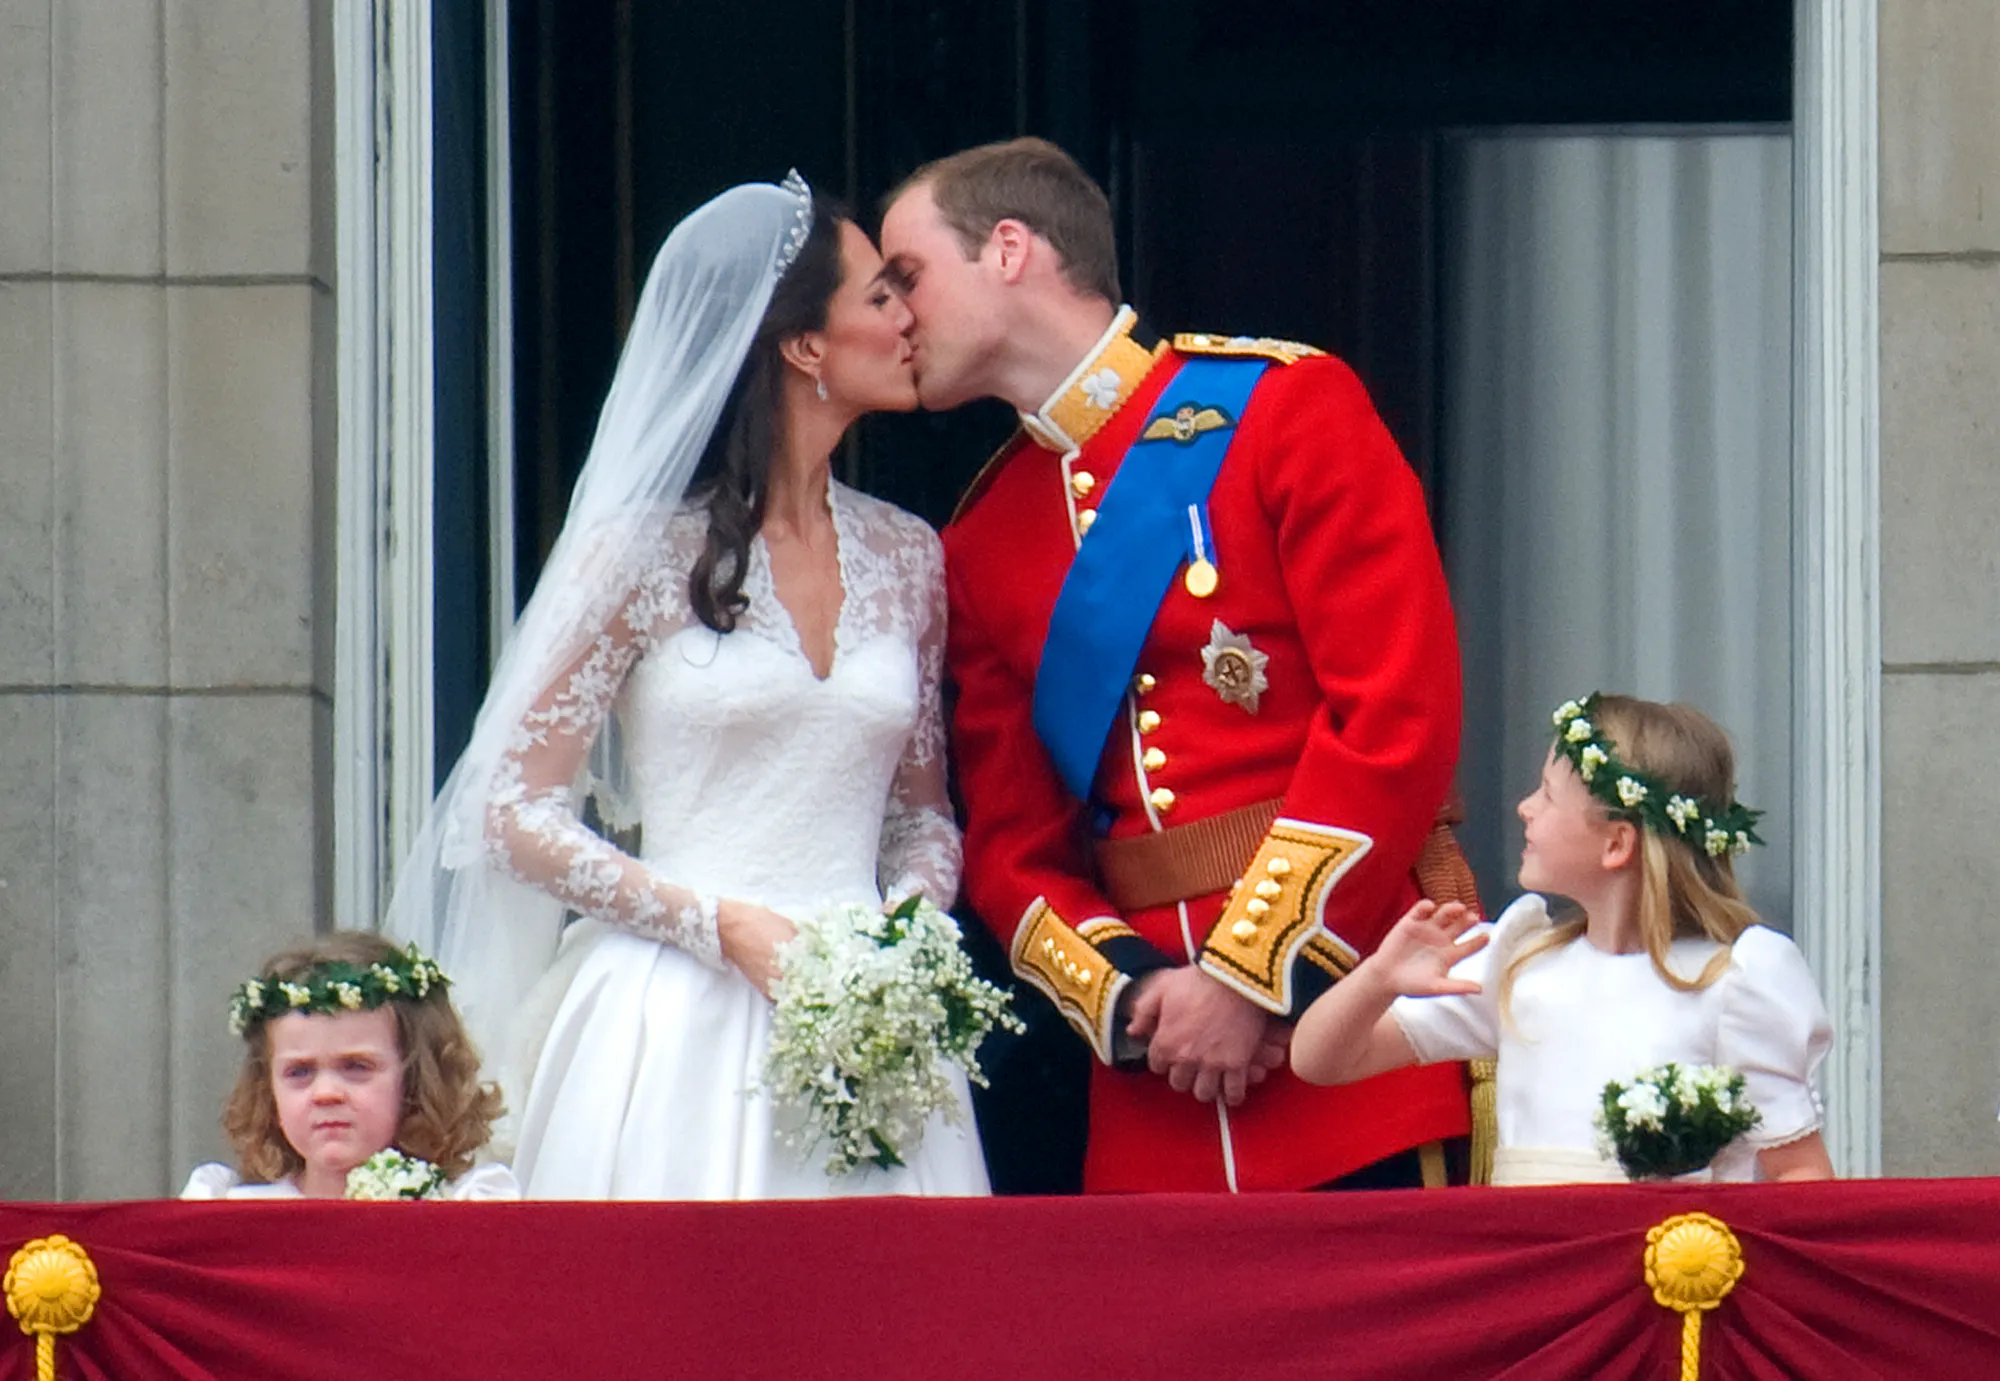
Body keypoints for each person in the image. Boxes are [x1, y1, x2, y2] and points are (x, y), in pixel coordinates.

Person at [879, 138, 1476, 1192]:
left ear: (1008, 250)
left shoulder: (1284, 409)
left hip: (1352, 1036)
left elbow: (1395, 717)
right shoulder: (981, 537)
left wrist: (1247, 976)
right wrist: (1136, 994)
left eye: (908, 274)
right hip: (1156, 1097)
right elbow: (1012, 846)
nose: (893, 313)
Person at [384, 173, 989, 1199]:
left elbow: (922, 816)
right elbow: (508, 810)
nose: (908, 317)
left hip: (871, 1034)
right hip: (672, 1018)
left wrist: (896, 939)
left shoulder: (909, 556)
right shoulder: (636, 556)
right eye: (880, 296)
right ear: (803, 345)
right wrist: (720, 925)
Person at [1291, 693, 1836, 1185]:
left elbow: (1801, 1172)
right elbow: (1320, 1061)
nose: (1525, 807)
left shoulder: (1732, 982)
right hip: (1532, 1274)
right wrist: (1378, 980)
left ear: (1617, 844)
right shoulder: (1518, 964)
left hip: (1668, 1283)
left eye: (1548, 796)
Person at [181, 931, 518, 1200]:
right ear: (267, 1088)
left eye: (356, 1066)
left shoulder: (466, 1206)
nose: (326, 1093)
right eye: (299, 1072)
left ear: (416, 1077)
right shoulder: (231, 1212)